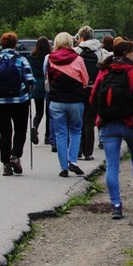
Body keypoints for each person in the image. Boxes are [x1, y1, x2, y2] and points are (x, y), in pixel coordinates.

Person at [90, 38, 133, 220]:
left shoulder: (105, 71)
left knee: (112, 166)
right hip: (131, 123)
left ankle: (115, 205)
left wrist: (101, 117)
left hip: (108, 124)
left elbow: (93, 97)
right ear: (126, 54)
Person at [0, 32, 35, 176]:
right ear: (15, 44)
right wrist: (27, 91)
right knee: (20, 130)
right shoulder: (21, 60)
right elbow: (30, 81)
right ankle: (15, 156)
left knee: (4, 132)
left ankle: (6, 164)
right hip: (19, 102)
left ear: (1, 44)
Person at [48, 32, 89, 177]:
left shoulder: (50, 59)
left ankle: (63, 167)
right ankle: (74, 161)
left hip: (57, 101)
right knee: (76, 131)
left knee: (60, 134)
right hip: (75, 101)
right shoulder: (78, 59)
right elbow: (85, 80)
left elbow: (48, 81)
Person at [75, 26, 109, 161]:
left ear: (81, 36)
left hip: (79, 88)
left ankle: (77, 149)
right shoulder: (100, 51)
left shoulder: (77, 51)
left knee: (78, 120)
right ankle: (88, 151)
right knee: (89, 120)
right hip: (95, 89)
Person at [28, 36, 52, 146]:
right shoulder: (49, 57)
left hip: (36, 85)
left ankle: (34, 127)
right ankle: (47, 136)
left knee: (39, 112)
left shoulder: (32, 56)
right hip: (47, 85)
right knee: (49, 113)